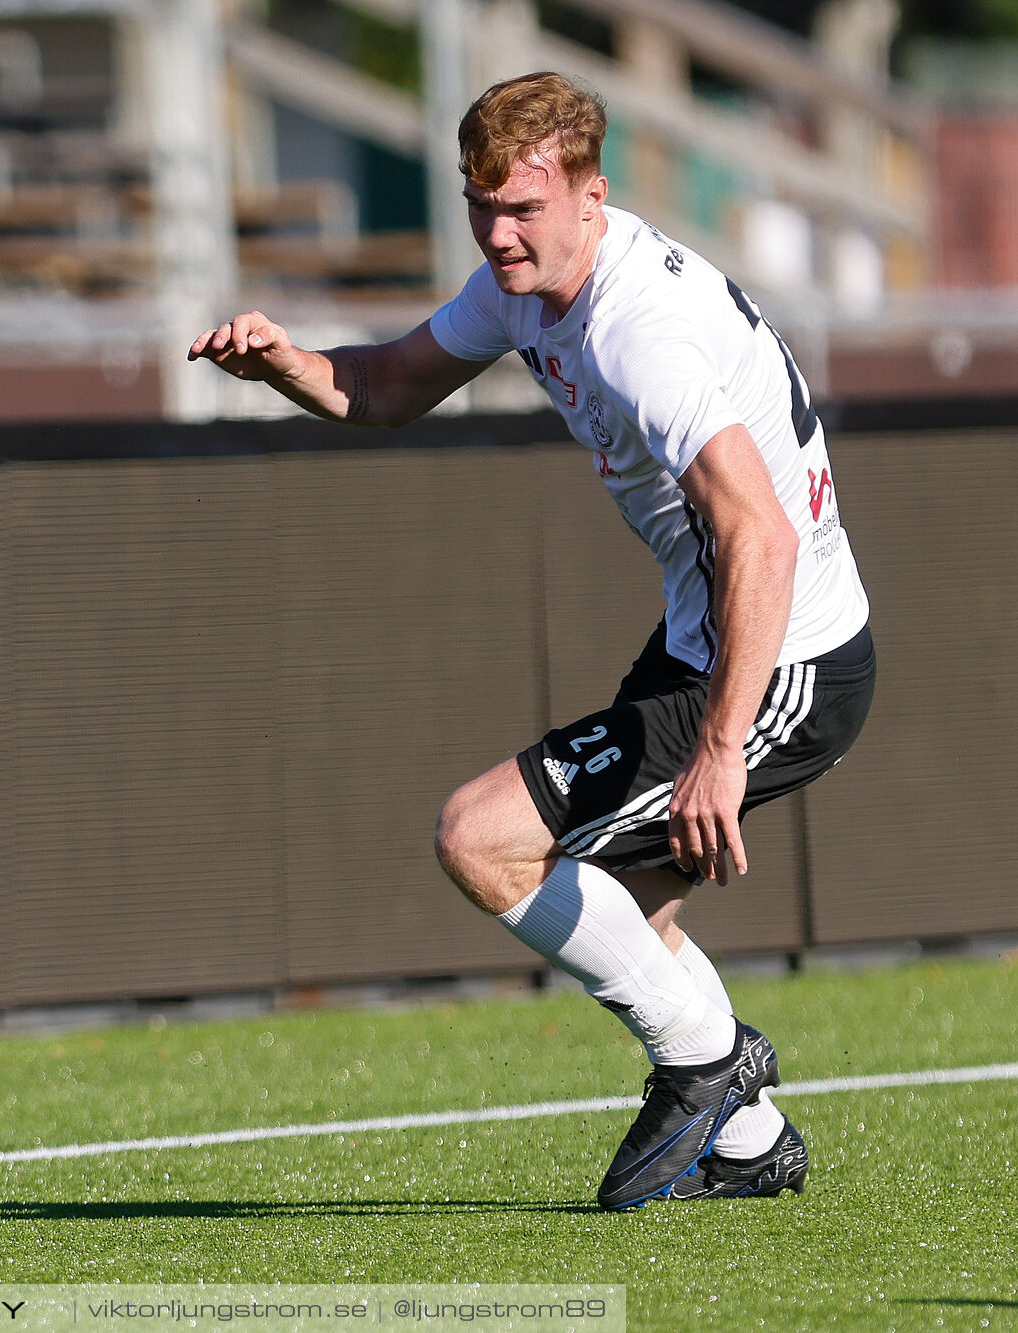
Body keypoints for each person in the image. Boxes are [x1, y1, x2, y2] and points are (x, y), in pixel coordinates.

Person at [189, 73, 872, 1209]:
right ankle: (748, 1141)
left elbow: (760, 532)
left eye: (523, 211)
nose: (498, 236)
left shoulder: (634, 329)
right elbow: (392, 383)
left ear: (590, 199)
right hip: (713, 637)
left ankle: (708, 1063)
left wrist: (721, 746)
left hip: (782, 659)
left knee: (481, 840)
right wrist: (286, 366)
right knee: (620, 908)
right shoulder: (530, 284)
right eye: (479, 207)